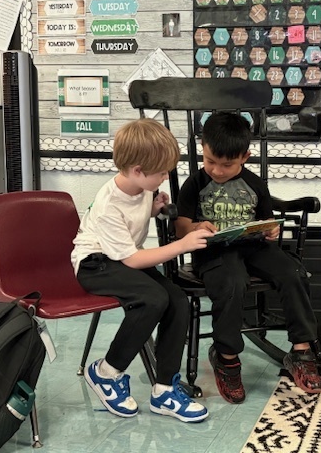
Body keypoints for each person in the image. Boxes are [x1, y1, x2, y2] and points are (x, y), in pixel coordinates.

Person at [174, 112, 321, 404]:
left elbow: (266, 222)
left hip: (253, 246)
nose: (216, 170)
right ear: (203, 150)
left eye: (226, 164)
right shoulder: (195, 184)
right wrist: (195, 227)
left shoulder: (254, 184)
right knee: (231, 282)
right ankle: (226, 356)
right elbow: (180, 226)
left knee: (293, 273)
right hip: (212, 251)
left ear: (245, 156)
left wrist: (270, 232)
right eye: (210, 161)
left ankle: (301, 349)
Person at [71, 118, 214, 422]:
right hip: (95, 263)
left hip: (120, 258)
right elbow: (134, 260)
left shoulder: (142, 187)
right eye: (161, 173)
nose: (165, 177)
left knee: (176, 298)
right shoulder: (109, 203)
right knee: (152, 298)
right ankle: (106, 372)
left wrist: (154, 208)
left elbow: (133, 224)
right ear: (137, 171)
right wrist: (183, 244)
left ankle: (164, 389)